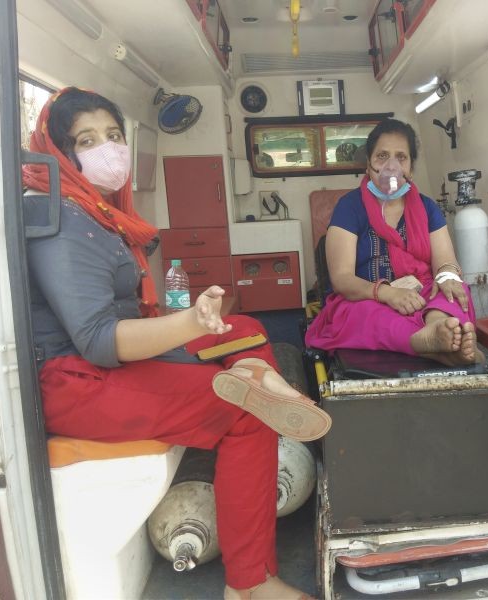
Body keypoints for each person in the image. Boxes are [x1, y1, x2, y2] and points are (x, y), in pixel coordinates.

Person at [21, 87, 329, 600]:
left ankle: (264, 379)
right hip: (75, 382)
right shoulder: (59, 221)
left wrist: (193, 321)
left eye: (115, 135)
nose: (109, 149)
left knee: (246, 326)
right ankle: (250, 585)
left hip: (103, 368)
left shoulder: (95, 212)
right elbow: (98, 339)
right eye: (87, 139)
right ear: (59, 152)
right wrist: (188, 323)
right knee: (245, 413)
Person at [305, 118, 482, 366]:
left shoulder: (427, 208)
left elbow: (445, 263)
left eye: (401, 157)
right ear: (368, 165)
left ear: (410, 167)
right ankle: (428, 342)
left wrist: (448, 276)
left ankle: (438, 328)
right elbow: (342, 279)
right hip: (369, 298)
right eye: (382, 156)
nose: (391, 166)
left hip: (423, 295)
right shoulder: (350, 207)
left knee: (454, 290)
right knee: (365, 315)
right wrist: (387, 293)